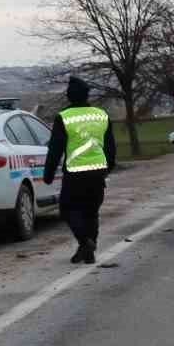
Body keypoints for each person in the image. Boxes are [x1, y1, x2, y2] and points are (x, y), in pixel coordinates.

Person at [43, 75, 117, 265]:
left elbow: (55, 149)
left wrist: (48, 174)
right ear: (87, 95)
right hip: (98, 170)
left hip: (75, 172)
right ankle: (88, 252)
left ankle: (85, 242)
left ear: (69, 96)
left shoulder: (64, 117)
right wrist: (109, 167)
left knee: (68, 210)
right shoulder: (101, 115)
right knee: (91, 211)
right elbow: (110, 146)